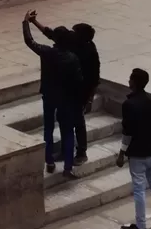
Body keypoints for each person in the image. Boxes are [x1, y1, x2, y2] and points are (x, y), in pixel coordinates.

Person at [31, 17, 100, 162]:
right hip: (67, 91)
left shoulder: (90, 53)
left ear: (81, 36)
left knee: (78, 122)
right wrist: (35, 21)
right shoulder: (72, 40)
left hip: (80, 93)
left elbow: (94, 79)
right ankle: (65, 151)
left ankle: (82, 152)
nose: (71, 33)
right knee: (64, 121)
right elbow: (52, 34)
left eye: (74, 31)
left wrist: (89, 100)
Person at [23, 10, 83, 177]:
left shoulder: (47, 52)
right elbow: (79, 81)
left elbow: (29, 41)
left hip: (49, 95)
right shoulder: (73, 57)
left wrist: (26, 23)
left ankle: (49, 161)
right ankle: (68, 167)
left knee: (48, 128)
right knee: (67, 131)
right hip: (66, 99)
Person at [116, 67, 151, 229]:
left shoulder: (129, 104)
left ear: (134, 83)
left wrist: (121, 153)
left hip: (137, 155)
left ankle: (140, 225)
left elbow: (128, 132)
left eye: (131, 78)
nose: (128, 80)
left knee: (139, 189)